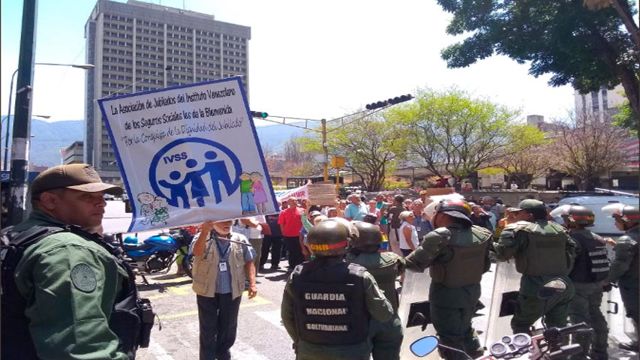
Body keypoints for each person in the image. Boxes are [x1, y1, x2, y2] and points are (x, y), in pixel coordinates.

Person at [0, 163, 151, 359]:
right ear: (50, 201)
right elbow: (81, 349)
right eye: (87, 197)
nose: (102, 204)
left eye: (102, 197)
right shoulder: (69, 250)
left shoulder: (17, 235)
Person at [281, 219, 393, 360]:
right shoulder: (360, 276)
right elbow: (384, 314)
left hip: (309, 349)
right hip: (351, 350)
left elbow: (287, 316)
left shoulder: (297, 275)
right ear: (347, 244)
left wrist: (301, 342)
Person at [405, 199, 492, 359]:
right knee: (466, 329)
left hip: (445, 296)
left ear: (444, 216)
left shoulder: (441, 236)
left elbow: (414, 264)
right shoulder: (482, 234)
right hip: (471, 292)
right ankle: (477, 355)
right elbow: (486, 266)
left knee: (448, 338)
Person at [493, 199, 577, 334]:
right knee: (558, 329)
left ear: (529, 215)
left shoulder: (519, 230)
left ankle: (526, 353)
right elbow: (573, 252)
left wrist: (503, 230)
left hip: (537, 285)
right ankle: (559, 353)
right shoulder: (560, 230)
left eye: (519, 213)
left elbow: (501, 254)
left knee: (521, 325)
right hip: (563, 283)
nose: (516, 216)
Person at [191, 219, 258, 360]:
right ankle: (207, 357)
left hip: (231, 291)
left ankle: (222, 354)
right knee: (208, 328)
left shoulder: (240, 239)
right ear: (213, 223)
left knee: (228, 328)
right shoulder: (202, 237)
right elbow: (196, 252)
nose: (227, 224)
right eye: (223, 221)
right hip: (207, 291)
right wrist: (204, 231)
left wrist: (252, 283)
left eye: (230, 221)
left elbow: (249, 261)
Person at [557, 205, 609, 360]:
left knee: (579, 322)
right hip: (596, 285)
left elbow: (566, 265)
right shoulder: (598, 238)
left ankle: (579, 355)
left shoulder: (572, 239)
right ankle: (600, 351)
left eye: (566, 218)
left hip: (577, 286)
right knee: (596, 316)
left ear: (571, 220)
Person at [347, 221, 405, 360]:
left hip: (360, 321)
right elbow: (401, 269)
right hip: (389, 319)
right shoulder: (393, 259)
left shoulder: (348, 263)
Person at [602, 203, 639, 351]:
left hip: (634, 286)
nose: (615, 224)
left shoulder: (626, 239)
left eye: (617, 220)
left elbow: (620, 266)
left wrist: (606, 280)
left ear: (628, 221)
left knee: (636, 314)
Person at [279, 197, 305, 271]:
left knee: (300, 251)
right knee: (291, 252)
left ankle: (301, 266)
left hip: (300, 235)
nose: (294, 202)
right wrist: (283, 233)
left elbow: (305, 222)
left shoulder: (302, 211)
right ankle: (292, 266)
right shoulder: (283, 212)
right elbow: (281, 224)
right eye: (292, 201)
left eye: (295, 200)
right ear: (288, 202)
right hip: (288, 235)